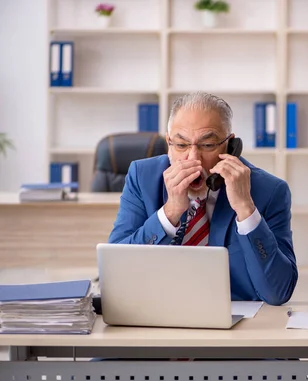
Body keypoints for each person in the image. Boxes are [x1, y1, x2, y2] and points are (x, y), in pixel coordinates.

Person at [108, 92, 298, 306]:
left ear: (231, 146)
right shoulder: (142, 177)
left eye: (207, 145)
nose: (193, 158)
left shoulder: (270, 190)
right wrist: (169, 213)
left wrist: (246, 210)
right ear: (168, 143)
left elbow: (278, 292)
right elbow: (115, 270)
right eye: (181, 145)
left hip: (234, 327)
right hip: (159, 314)